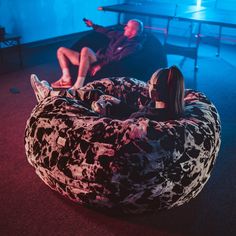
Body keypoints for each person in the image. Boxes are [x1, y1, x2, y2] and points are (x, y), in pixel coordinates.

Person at [30, 65, 184, 121]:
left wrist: (102, 114)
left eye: (150, 83)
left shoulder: (152, 119)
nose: (147, 85)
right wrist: (117, 102)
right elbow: (138, 112)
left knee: (78, 105)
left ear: (156, 91)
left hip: (113, 120)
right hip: (124, 114)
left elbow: (122, 128)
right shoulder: (163, 105)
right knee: (96, 93)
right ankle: (50, 93)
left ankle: (49, 96)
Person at [51, 18, 144, 91]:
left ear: (133, 31)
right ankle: (67, 78)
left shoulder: (135, 46)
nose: (124, 28)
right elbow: (106, 31)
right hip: (97, 58)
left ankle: (78, 85)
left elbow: (117, 59)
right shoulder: (120, 35)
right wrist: (93, 25)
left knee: (85, 50)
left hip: (102, 62)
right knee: (61, 50)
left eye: (127, 26)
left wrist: (100, 65)